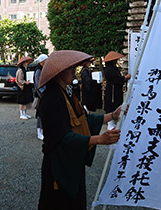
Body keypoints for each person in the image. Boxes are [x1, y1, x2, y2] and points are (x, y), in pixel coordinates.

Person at [37, 50, 122, 209]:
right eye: (70, 69)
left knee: (74, 199)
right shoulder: (51, 99)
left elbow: (83, 119)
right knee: (60, 202)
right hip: (59, 162)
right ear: (59, 72)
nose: (74, 72)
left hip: (71, 159)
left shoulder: (65, 93)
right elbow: (62, 137)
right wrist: (99, 139)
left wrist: (112, 115)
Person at [103, 51, 131, 130]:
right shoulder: (109, 69)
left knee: (115, 104)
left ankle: (114, 123)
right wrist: (125, 78)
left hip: (115, 89)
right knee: (111, 105)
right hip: (112, 89)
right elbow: (116, 79)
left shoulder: (113, 68)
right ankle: (110, 123)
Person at [33, 54, 48, 140]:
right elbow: (39, 85)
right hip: (41, 95)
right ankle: (39, 132)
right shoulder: (38, 70)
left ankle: (43, 131)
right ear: (42, 61)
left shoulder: (41, 69)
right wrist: (44, 94)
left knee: (44, 113)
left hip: (43, 94)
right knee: (40, 114)